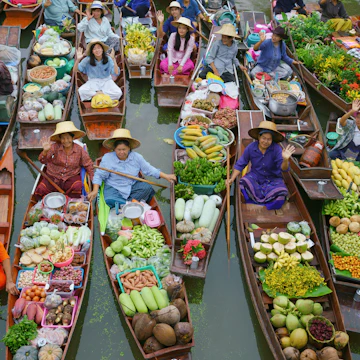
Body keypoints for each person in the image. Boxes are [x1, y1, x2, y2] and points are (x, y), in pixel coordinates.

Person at [87, 129, 176, 207]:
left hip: (131, 186)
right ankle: (130, 204)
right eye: (119, 149)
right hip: (114, 187)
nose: (121, 152)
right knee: (109, 199)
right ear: (114, 149)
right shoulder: (107, 158)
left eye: (124, 149)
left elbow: (149, 170)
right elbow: (99, 175)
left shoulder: (137, 157)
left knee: (147, 188)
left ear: (129, 148)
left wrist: (166, 176)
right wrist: (95, 190)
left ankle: (125, 204)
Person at [227, 121, 296, 210]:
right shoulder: (251, 147)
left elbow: (284, 169)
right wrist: (231, 179)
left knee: (282, 193)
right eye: (263, 138)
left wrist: (285, 159)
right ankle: (257, 202)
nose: (265, 141)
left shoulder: (276, 149)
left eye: (269, 139)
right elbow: (241, 164)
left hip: (273, 179)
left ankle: (263, 206)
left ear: (272, 140)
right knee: (243, 183)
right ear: (259, 137)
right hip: (255, 177)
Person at [34, 121, 94, 200]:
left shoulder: (79, 150)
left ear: (72, 138)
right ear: (60, 139)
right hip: (53, 176)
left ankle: (69, 202)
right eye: (63, 138)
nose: (66, 141)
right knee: (40, 190)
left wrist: (94, 182)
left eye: (68, 138)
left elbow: (88, 165)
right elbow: (43, 161)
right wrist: (45, 151)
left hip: (70, 177)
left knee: (77, 187)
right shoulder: (54, 146)